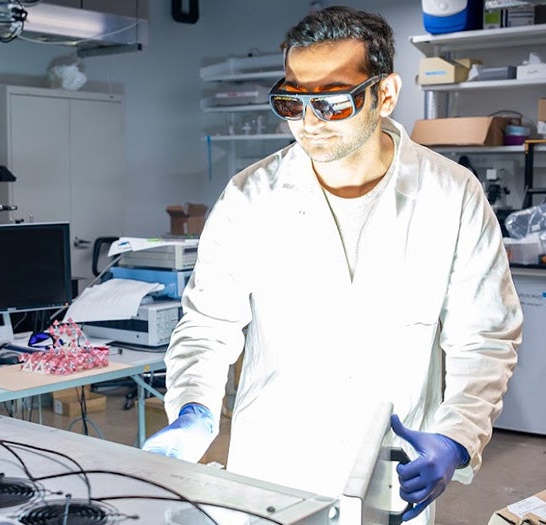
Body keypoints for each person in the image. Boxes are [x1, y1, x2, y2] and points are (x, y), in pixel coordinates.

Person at [141, 6, 522, 525]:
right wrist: (194, 411)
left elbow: (485, 338)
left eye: (333, 101)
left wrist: (456, 438)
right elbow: (208, 325)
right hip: (273, 465)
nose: (310, 122)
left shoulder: (451, 195)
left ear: (385, 94)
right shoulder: (251, 196)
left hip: (390, 466)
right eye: (293, 101)